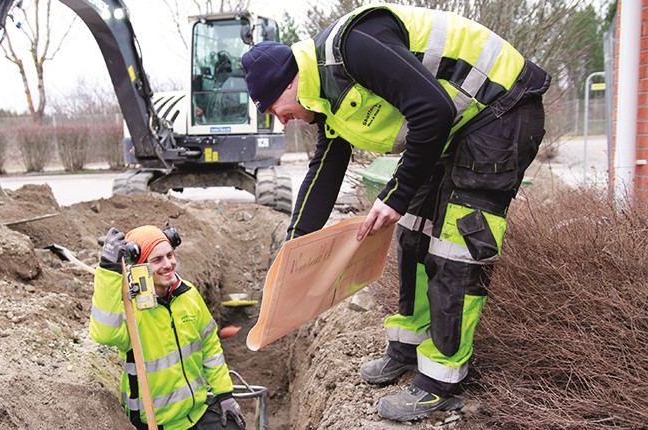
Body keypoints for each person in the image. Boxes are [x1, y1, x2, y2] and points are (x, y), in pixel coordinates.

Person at [242, 3, 550, 423]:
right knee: (413, 234)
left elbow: (433, 110)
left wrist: (397, 194)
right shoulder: (325, 97)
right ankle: (410, 346)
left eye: (272, 107)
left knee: (456, 249)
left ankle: (443, 380)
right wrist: (294, 246)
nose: (280, 120)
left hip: (500, 108)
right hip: (453, 128)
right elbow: (325, 169)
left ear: (289, 81)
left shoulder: (352, 49)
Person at [89, 225, 246, 430]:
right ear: (140, 267)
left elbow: (210, 346)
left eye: (169, 255)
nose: (168, 264)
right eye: (157, 260)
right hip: (157, 422)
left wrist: (224, 394)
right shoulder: (131, 309)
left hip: (196, 412)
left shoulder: (188, 294)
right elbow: (104, 334)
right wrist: (108, 271)